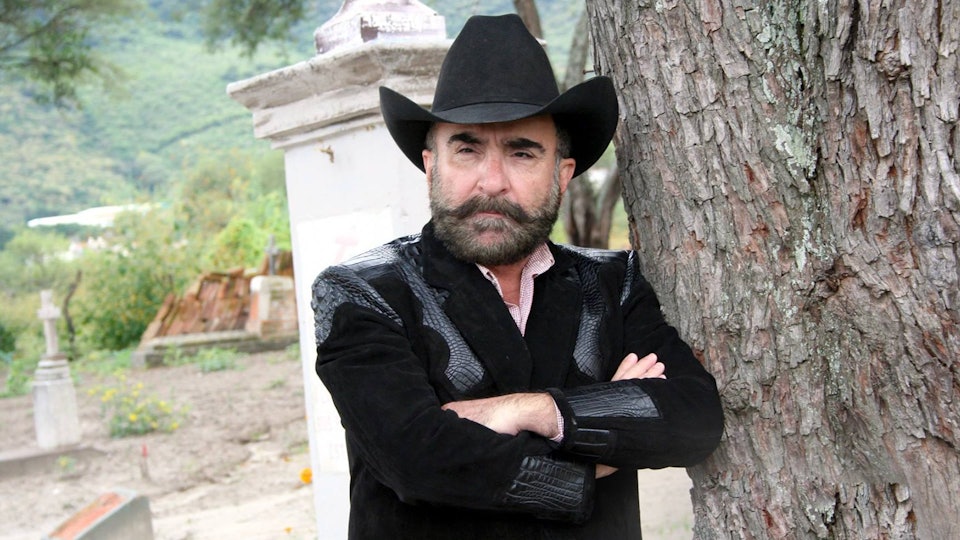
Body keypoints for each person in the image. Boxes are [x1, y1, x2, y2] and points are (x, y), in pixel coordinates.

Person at [311, 13, 724, 540]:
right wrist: (604, 437)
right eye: (467, 149)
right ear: (432, 166)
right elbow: (417, 459)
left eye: (522, 152)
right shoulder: (365, 292)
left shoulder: (613, 284)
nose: (492, 182)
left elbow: (693, 418)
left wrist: (532, 410)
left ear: (562, 173)